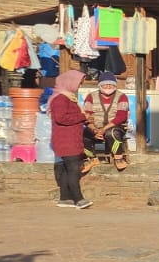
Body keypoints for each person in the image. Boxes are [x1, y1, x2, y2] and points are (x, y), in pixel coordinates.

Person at [48, 70, 91, 209]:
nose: (78, 86)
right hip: (66, 140)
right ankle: (79, 199)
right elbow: (61, 118)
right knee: (74, 169)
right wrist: (82, 117)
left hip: (71, 139)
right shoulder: (60, 99)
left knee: (67, 170)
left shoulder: (69, 98)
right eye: (78, 83)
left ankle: (65, 198)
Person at [81, 71, 129, 172]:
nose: (108, 86)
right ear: (100, 85)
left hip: (116, 127)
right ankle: (91, 158)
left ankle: (118, 158)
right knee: (82, 134)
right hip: (95, 127)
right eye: (105, 84)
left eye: (111, 84)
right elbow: (87, 115)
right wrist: (94, 130)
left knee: (111, 133)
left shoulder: (122, 96)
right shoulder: (91, 96)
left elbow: (121, 117)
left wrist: (104, 129)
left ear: (115, 85)